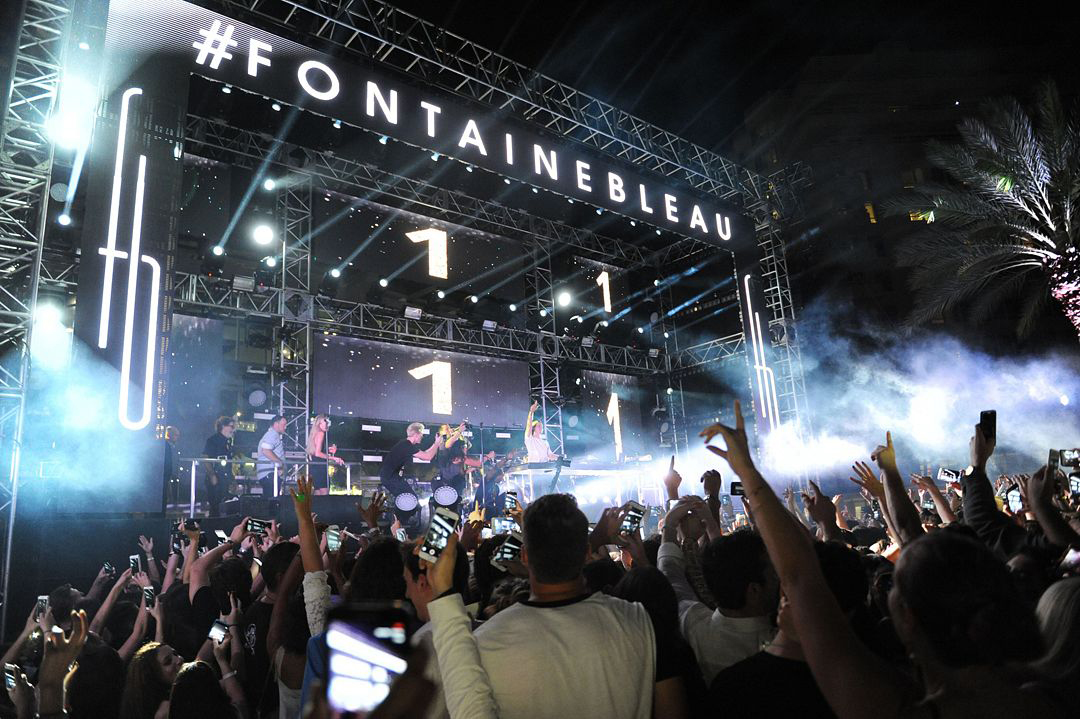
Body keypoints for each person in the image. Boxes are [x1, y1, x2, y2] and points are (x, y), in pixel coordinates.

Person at [424, 493, 686, 719]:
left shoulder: (485, 641)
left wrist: (442, 590)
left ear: (525, 556)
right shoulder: (642, 624)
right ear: (586, 553)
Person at [658, 500, 778, 683]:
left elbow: (671, 577)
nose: (780, 579)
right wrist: (710, 520)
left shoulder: (697, 627)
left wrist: (670, 524)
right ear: (753, 590)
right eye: (773, 574)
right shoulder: (784, 642)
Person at [380, 422, 441, 523]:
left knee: (409, 500)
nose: (422, 437)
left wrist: (435, 443)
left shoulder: (406, 444)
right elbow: (428, 457)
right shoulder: (407, 446)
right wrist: (437, 443)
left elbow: (425, 454)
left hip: (391, 477)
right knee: (411, 500)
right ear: (416, 434)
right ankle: (397, 523)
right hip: (390, 478)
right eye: (421, 435)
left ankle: (398, 522)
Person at [119, 642, 183, 719]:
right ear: (153, 677)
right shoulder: (166, 710)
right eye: (168, 662)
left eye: (175, 654)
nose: (179, 659)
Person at [201, 416, 234, 516]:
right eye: (231, 426)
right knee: (215, 507)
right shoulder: (212, 440)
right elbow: (205, 457)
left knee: (224, 507)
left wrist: (232, 479)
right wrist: (212, 475)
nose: (233, 429)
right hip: (216, 478)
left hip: (225, 479)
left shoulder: (227, 442)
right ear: (223, 426)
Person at [306, 413, 344, 493]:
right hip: (320, 466)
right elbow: (318, 453)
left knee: (318, 492)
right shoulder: (321, 433)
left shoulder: (315, 433)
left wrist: (328, 449)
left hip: (314, 465)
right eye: (325, 422)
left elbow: (316, 450)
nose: (327, 423)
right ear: (319, 423)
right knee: (324, 492)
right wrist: (334, 458)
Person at [256, 414, 287, 498]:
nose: (285, 427)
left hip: (268, 474)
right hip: (270, 473)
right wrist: (280, 464)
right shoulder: (273, 434)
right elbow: (266, 450)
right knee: (272, 500)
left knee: (270, 499)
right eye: (284, 425)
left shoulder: (271, 435)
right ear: (276, 424)